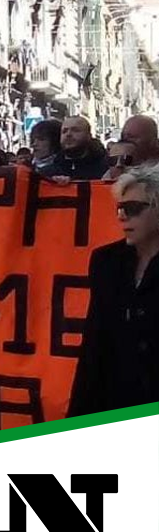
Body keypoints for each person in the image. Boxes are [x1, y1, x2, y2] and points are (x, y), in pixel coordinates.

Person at [67, 164, 159, 416]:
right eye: (120, 208)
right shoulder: (106, 261)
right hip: (114, 402)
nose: (122, 217)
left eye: (132, 209)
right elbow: (95, 343)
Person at [39, 116, 108, 181]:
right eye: (64, 131)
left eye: (75, 130)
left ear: (89, 136)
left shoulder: (106, 169)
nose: (68, 134)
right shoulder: (46, 174)